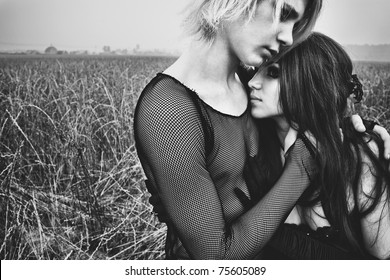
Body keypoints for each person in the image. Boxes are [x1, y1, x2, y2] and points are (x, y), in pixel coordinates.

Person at [134, 0, 390, 259]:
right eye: (284, 14)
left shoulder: (246, 86)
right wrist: (301, 168)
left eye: (296, 24)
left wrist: (354, 129)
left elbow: (308, 97)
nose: (288, 37)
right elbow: (215, 258)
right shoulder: (168, 108)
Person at [245, 32, 390, 259]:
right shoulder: (251, 151)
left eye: (273, 73)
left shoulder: (358, 157)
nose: (253, 82)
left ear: (309, 82)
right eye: (256, 71)